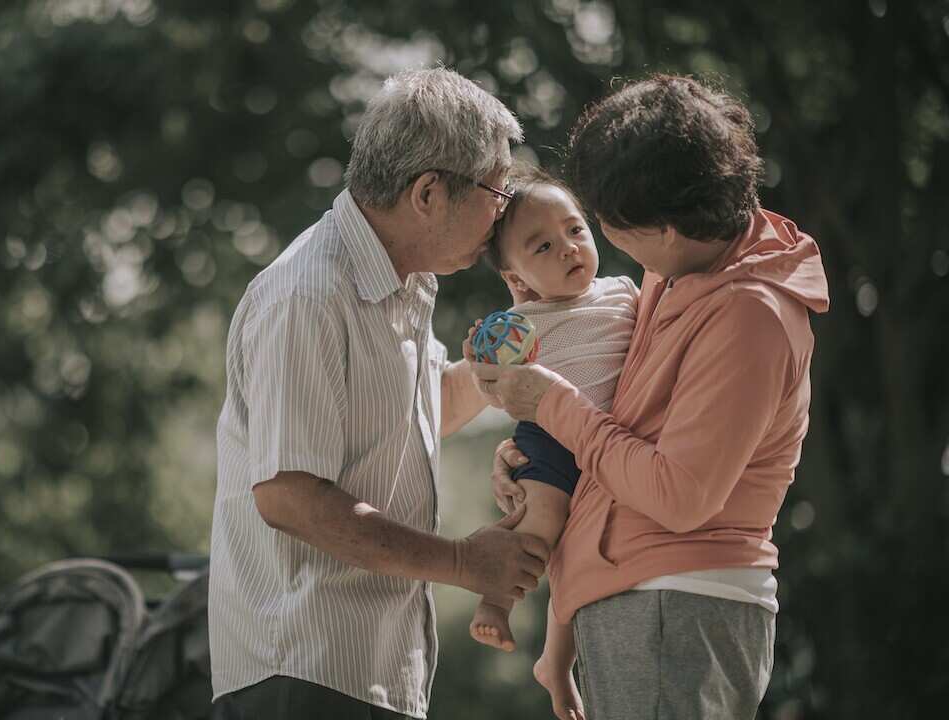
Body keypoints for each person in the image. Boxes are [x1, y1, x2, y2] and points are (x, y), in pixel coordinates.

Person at [472, 74, 829, 719]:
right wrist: (537, 446)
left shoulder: (750, 316)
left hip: (678, 600)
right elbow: (616, 429)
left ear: (665, 229)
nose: (599, 244)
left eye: (603, 224)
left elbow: (679, 495)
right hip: (643, 596)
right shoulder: (683, 269)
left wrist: (550, 403)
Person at [208, 67, 549, 720]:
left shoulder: (402, 283)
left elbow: (433, 411)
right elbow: (289, 497)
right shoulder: (308, 294)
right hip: (301, 681)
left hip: (369, 680)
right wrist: (462, 563)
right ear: (428, 193)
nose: (503, 212)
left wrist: (531, 326)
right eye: (496, 192)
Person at [461, 166, 636, 720]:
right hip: (553, 435)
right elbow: (498, 394)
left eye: (575, 230)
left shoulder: (626, 292)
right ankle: (500, 596)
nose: (568, 249)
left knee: (580, 542)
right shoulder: (521, 323)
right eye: (543, 245)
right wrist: (479, 360)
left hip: (610, 431)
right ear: (516, 277)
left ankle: (555, 663)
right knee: (545, 521)